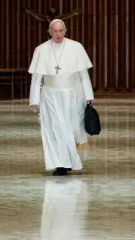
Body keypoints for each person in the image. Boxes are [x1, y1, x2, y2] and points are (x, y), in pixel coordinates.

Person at [28, 19, 94, 176]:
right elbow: (37, 78)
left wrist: (88, 96)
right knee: (55, 129)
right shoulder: (41, 50)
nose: (58, 34)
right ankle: (60, 164)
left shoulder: (76, 47)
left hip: (72, 95)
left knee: (69, 129)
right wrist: (34, 100)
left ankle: (68, 161)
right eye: (55, 31)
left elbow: (83, 75)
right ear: (50, 32)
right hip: (50, 95)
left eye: (61, 31)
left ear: (65, 31)